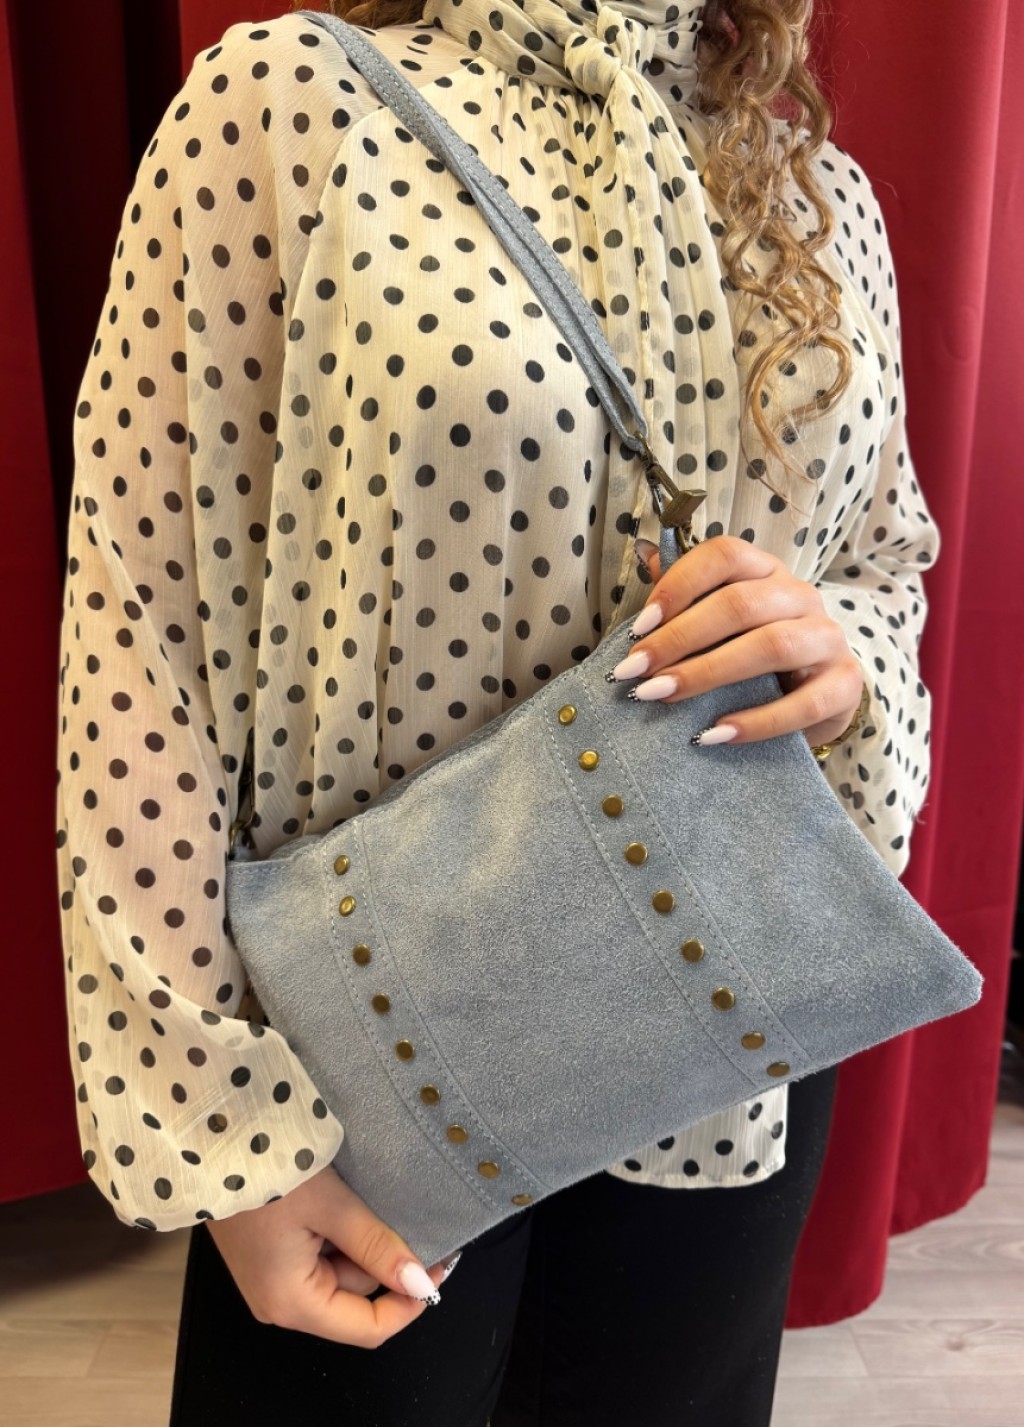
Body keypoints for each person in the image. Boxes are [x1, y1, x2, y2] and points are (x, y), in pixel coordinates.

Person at [53, 0, 938, 1422]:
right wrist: (217, 1116)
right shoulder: (293, 107)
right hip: (370, 1066)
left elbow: (886, 564)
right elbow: (143, 631)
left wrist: (842, 667)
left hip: (726, 1037)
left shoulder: (822, 199)